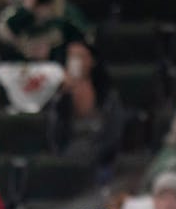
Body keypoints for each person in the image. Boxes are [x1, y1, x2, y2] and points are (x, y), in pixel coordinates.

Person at [48, 40, 124, 185]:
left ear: (92, 60)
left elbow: (114, 133)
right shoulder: (60, 96)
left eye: (80, 56)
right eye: (71, 57)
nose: (75, 62)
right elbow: (54, 135)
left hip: (100, 160)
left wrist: (98, 156)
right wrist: (62, 99)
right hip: (67, 160)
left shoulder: (107, 95)